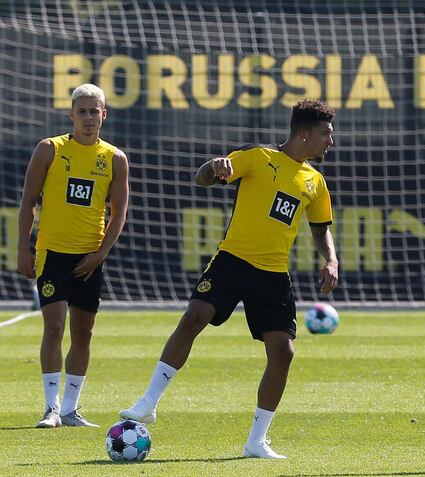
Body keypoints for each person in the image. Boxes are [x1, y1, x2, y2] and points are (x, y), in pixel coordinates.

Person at [120, 99, 339, 460]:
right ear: (303, 134)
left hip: (272, 274)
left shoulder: (315, 182)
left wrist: (330, 259)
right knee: (194, 317)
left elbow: (320, 229)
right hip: (232, 261)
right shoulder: (257, 157)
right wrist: (213, 165)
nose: (330, 141)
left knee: (283, 353)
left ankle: (256, 441)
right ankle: (148, 403)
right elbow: (203, 178)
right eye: (325, 134)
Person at [17, 83, 130, 428]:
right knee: (54, 328)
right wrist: (24, 247)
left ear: (104, 114)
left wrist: (100, 254)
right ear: (71, 115)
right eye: (81, 111)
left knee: (84, 332)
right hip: (53, 254)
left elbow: (119, 213)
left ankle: (70, 408)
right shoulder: (49, 149)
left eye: (94, 111)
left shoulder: (114, 158)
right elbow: (28, 202)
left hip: (89, 259)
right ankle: (51, 408)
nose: (88, 117)